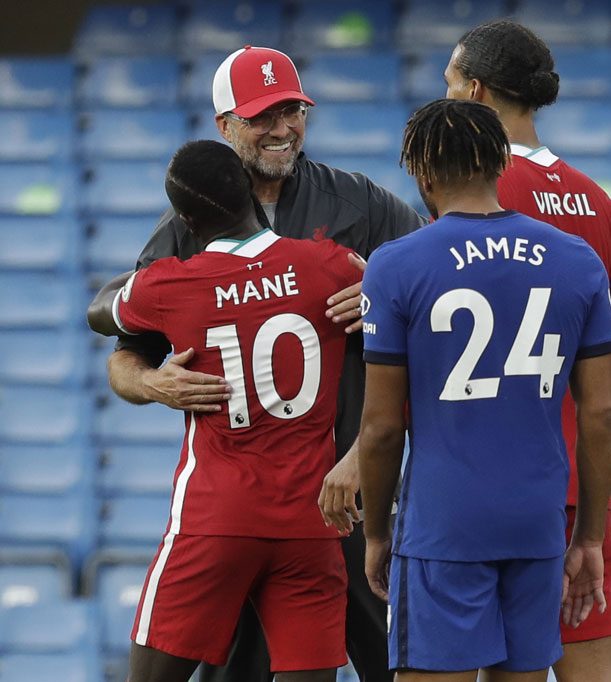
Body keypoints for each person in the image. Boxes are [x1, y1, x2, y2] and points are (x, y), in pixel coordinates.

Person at [103, 45, 425, 682]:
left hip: (357, 495)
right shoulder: (191, 219)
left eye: (292, 110)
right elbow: (123, 352)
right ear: (224, 127)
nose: (282, 129)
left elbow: (442, 290)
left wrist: (387, 298)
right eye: (261, 116)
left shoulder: (361, 203)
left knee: (399, 666)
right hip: (254, 510)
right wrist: (152, 381)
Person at [357, 98, 611, 682]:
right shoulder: (577, 261)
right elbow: (601, 414)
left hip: (442, 525)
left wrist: (376, 533)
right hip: (537, 521)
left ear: (422, 174)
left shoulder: (396, 264)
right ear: (500, 163)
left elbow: (380, 427)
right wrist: (591, 536)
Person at [87, 140, 364, 682]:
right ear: (249, 193)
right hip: (311, 522)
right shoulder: (327, 264)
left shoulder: (171, 285)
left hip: (215, 520)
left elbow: (102, 311)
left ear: (186, 219)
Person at [442, 20, 611, 682]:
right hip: (580, 485)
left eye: (447, 85)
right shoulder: (597, 205)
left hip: (482, 482)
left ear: (473, 92)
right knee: (594, 664)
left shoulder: (471, 197)